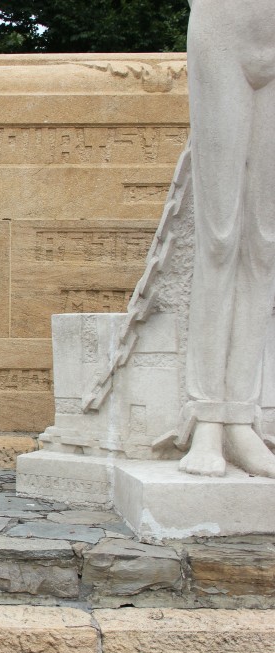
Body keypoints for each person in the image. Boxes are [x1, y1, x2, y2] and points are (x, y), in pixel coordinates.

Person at [180, 0, 275, 478]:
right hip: (225, 27)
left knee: (266, 242)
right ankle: (208, 421)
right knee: (219, 237)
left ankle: (242, 417)